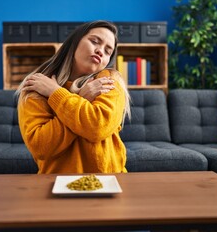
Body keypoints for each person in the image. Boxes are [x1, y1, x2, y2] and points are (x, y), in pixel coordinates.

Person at [16, 20, 131, 174]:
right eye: (95, 41)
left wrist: (55, 94)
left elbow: (97, 127)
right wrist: (79, 97)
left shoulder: (109, 81)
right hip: (55, 182)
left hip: (109, 180)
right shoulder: (37, 86)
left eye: (108, 51)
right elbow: (40, 147)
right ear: (74, 43)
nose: (100, 51)